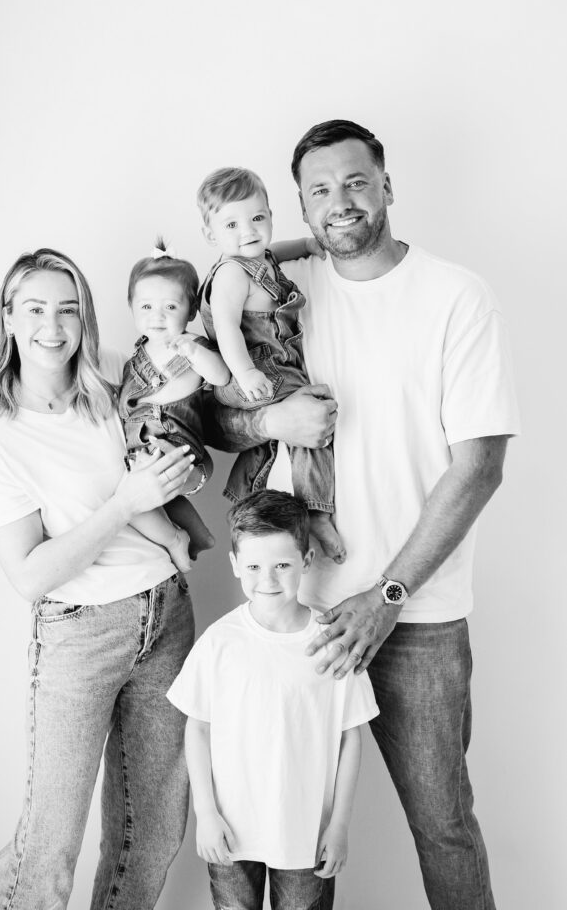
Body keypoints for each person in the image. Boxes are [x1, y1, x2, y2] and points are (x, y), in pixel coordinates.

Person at [205, 120, 520, 910]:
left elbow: (479, 467)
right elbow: (218, 420)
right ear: (300, 207)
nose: (338, 201)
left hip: (415, 616)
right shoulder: (284, 296)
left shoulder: (455, 295)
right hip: (300, 610)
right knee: (291, 833)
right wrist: (272, 424)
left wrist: (386, 596)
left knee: (443, 825)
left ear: (386, 187)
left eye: (354, 182)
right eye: (318, 190)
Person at [0, 247, 198, 910]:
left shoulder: (114, 392)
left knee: (149, 836)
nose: (53, 325)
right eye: (35, 308)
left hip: (167, 617)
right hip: (80, 639)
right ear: (8, 319)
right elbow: (30, 576)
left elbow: (202, 405)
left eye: (68, 309)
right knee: (48, 849)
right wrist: (125, 502)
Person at [167, 490, 378, 910]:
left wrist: (339, 826)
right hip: (231, 831)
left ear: (307, 561)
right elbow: (198, 728)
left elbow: (352, 737)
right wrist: (206, 815)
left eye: (282, 564)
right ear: (235, 566)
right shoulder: (220, 643)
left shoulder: (331, 642)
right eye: (254, 566)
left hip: (305, 833)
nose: (268, 579)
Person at [197, 165, 346, 563]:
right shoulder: (230, 273)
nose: (247, 231)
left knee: (280, 433)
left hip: (263, 370)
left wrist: (303, 245)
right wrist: (246, 373)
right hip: (257, 370)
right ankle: (315, 509)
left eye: (257, 218)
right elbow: (227, 327)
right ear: (211, 235)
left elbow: (272, 255)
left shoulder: (254, 258)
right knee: (311, 417)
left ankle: (247, 487)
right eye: (231, 224)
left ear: (270, 217)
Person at [119, 239, 230, 562]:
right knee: (148, 497)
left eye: (170, 306)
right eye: (146, 307)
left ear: (191, 310)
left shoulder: (190, 343)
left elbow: (221, 377)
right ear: (132, 307)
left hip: (176, 440)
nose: (157, 316)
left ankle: (175, 540)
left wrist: (196, 354)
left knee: (137, 486)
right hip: (139, 441)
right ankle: (193, 535)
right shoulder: (136, 355)